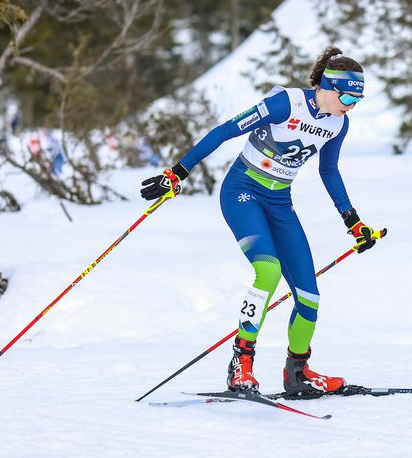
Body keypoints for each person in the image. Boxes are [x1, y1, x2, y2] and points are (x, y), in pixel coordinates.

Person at [141, 46, 386, 396]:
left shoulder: (338, 123)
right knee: (268, 270)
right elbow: (226, 130)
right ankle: (241, 363)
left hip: (280, 201)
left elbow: (329, 171)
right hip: (243, 191)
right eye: (348, 95)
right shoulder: (286, 103)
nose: (352, 104)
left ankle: (297, 374)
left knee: (309, 297)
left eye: (358, 98)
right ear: (329, 87)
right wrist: (178, 172)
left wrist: (354, 222)